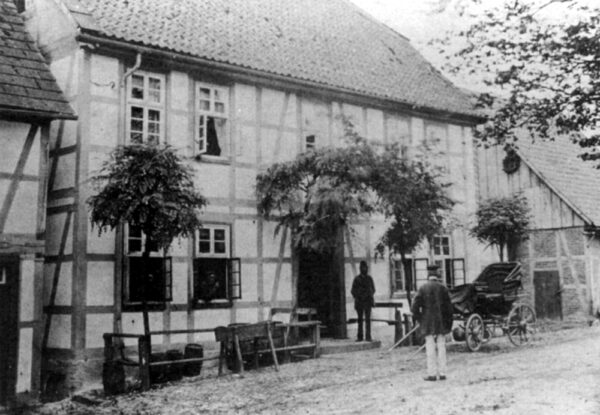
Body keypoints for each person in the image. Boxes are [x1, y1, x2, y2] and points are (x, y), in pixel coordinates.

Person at [411, 264, 453, 381]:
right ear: (437, 275)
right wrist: (448, 324)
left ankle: (432, 374)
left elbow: (414, 307)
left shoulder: (423, 288)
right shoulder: (443, 288)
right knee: (441, 346)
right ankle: (443, 373)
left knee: (430, 347)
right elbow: (449, 309)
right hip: (441, 322)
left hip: (428, 323)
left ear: (428, 275)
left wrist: (420, 319)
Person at [351, 261, 376, 342]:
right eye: (363, 267)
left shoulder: (369, 279)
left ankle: (368, 336)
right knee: (360, 320)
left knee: (368, 320)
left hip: (368, 302)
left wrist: (369, 295)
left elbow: (373, 289)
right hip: (360, 302)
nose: (365, 269)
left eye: (366, 267)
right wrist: (359, 296)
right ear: (360, 269)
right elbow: (353, 291)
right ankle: (360, 337)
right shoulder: (357, 279)